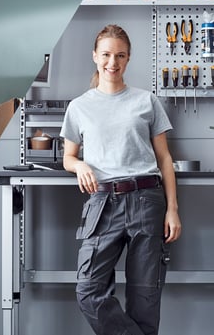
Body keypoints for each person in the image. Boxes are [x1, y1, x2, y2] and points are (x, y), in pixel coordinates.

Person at [60, 24, 182, 335]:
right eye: (106, 55)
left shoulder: (147, 101)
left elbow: (164, 159)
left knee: (145, 299)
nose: (112, 62)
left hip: (146, 201)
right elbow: (68, 157)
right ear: (94, 56)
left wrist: (173, 210)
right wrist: (80, 166)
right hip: (102, 204)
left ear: (128, 59)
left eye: (120, 55)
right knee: (88, 291)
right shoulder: (79, 107)